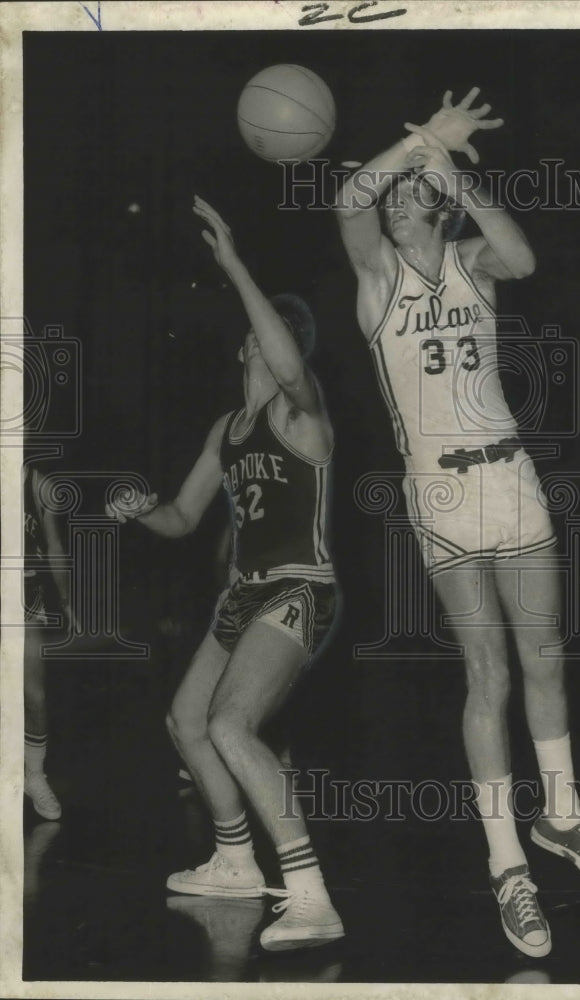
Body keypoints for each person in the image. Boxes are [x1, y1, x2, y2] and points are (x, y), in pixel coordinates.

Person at [334, 88, 580, 958]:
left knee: (547, 658)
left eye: (412, 187)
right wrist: (423, 137)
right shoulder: (376, 277)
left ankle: (564, 816)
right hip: (443, 492)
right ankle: (508, 867)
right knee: (487, 671)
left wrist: (454, 173)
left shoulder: (468, 261)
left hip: (509, 470)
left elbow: (524, 258)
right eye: (399, 190)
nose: (402, 195)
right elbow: (348, 197)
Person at [107, 196, 343, 951]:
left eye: (269, 342)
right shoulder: (227, 432)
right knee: (186, 723)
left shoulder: (305, 416)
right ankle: (237, 861)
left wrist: (235, 264)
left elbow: (289, 364)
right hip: (242, 595)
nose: (259, 352)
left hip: (302, 587)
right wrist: (141, 508)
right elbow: (182, 517)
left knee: (231, 724)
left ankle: (310, 895)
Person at [23, 464, 75, 821]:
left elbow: (55, 544)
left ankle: (34, 775)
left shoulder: (38, 484)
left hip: (23, 597)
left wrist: (67, 600)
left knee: (35, 695)